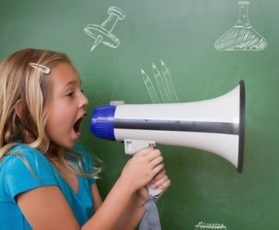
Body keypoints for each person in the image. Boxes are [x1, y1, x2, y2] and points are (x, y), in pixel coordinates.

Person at [0, 48, 171, 229]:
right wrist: (126, 183)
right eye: (70, 93)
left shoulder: (78, 159)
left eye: (81, 90)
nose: (84, 99)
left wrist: (138, 200)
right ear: (25, 110)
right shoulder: (22, 164)